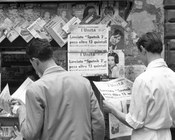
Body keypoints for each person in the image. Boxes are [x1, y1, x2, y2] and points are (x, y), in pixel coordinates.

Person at [10, 38, 105, 140]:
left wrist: (22, 111)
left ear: (35, 61)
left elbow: (30, 134)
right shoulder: (84, 82)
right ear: (51, 56)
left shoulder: (36, 89)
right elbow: (99, 122)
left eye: (32, 64)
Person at [103, 32, 175, 140]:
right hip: (167, 135)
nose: (140, 57)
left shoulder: (143, 80)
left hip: (147, 136)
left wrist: (112, 109)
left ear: (143, 49)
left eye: (139, 53)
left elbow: (134, 122)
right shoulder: (172, 76)